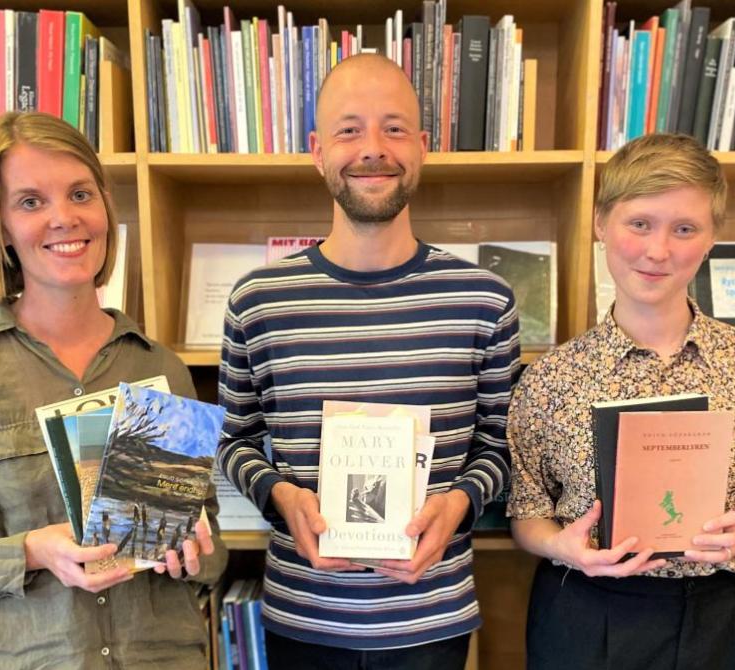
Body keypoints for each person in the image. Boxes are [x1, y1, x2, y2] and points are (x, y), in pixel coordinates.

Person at [217, 53, 520, 669]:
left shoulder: (484, 301)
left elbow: (504, 445)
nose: (373, 149)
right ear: (317, 151)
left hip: (431, 619)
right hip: (303, 617)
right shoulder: (258, 301)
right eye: (349, 129)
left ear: (423, 147)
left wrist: (460, 502)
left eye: (394, 128)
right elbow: (234, 440)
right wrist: (280, 495)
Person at [0, 112, 227, 669]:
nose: (63, 218)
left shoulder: (161, 369)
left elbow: (210, 553)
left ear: (105, 206)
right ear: (1, 226)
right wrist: (30, 551)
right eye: (31, 202)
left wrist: (194, 552)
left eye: (80, 194)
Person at [507, 133, 735, 670]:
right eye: (639, 223)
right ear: (601, 223)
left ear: (711, 238)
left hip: (720, 615)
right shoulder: (549, 379)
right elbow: (528, 515)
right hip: (585, 612)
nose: (658, 250)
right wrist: (560, 545)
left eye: (684, 229)